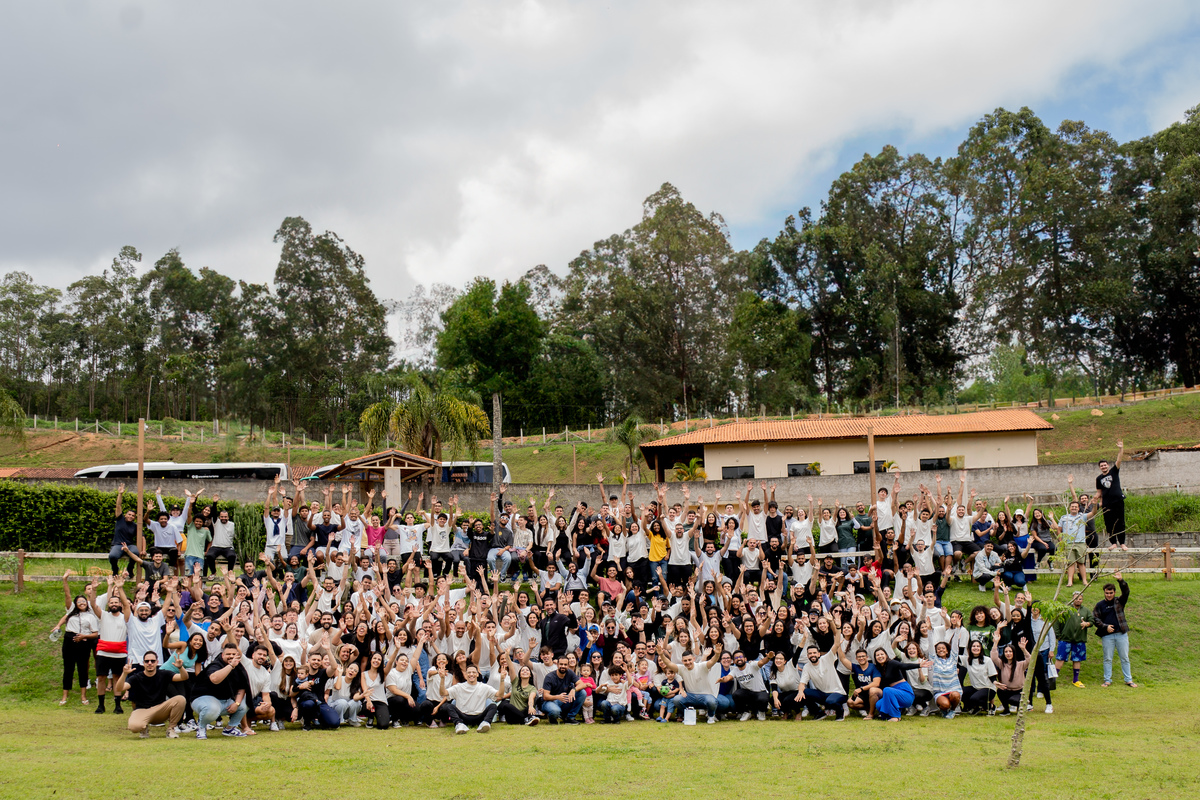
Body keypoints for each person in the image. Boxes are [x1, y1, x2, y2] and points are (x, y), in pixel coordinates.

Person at [115, 650, 189, 738]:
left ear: (157, 662)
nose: (150, 663)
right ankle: (143, 729)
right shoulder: (136, 678)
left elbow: (184, 677)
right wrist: (124, 674)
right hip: (142, 710)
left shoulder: (164, 674)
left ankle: (171, 729)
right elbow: (119, 688)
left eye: (153, 661)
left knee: (180, 699)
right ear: (143, 663)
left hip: (160, 710)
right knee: (134, 727)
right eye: (147, 661)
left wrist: (180, 667)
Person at [52, 572, 98, 706]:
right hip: (69, 640)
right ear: (75, 604)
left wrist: (84, 636)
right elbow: (67, 595)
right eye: (79, 602)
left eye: (84, 601)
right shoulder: (71, 612)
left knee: (83, 669)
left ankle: (83, 697)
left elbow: (95, 634)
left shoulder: (90, 616)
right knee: (68, 668)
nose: (82, 603)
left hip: (84, 642)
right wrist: (64, 579)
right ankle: (64, 696)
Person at [190, 643, 251, 739]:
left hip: (225, 701)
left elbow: (242, 687)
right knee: (212, 709)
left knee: (246, 701)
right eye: (228, 654)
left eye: (233, 654)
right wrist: (231, 666)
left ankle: (230, 728)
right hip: (203, 699)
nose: (231, 656)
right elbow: (215, 679)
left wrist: (237, 703)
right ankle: (201, 727)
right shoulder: (215, 665)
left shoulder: (239, 668)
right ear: (222, 655)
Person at [1094, 570, 1136, 688]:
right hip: (1107, 636)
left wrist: (1120, 580)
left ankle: (1128, 680)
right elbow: (1095, 619)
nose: (1109, 595)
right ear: (1104, 593)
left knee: (1125, 658)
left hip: (1121, 634)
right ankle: (1107, 680)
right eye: (1107, 593)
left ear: (1114, 592)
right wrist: (1105, 627)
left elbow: (1126, 592)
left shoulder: (1119, 602)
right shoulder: (1100, 605)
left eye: (1111, 593)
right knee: (1107, 658)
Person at [1055, 591, 1094, 688]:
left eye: (1080, 599)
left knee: (1077, 659)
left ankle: (1075, 680)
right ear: (1072, 599)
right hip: (1065, 639)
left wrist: (1087, 624)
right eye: (1076, 598)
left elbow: (1092, 621)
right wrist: (1058, 635)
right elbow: (1057, 622)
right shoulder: (1066, 609)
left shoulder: (1086, 610)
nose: (1078, 600)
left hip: (1079, 640)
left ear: (1082, 600)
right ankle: (1053, 679)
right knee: (1060, 658)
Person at [446, 664, 499, 734]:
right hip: (463, 717)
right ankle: (459, 725)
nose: (471, 674)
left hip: (479, 717)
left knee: (493, 706)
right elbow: (443, 693)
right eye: (469, 672)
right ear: (465, 674)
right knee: (449, 706)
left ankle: (485, 723)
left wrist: (502, 680)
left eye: (474, 672)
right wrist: (442, 679)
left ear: (477, 674)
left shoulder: (484, 687)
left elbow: (499, 695)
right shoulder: (459, 687)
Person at [1096, 440, 1127, 549]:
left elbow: (1119, 460)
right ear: (1099, 467)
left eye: (1105, 465)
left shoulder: (1114, 471)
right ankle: (1113, 543)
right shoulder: (1098, 478)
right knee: (1109, 524)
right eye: (1101, 466)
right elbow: (1099, 492)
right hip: (1107, 504)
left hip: (1118, 501)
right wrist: (1095, 500)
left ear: (1108, 465)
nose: (1103, 467)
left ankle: (1122, 543)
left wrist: (1120, 448)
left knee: (1120, 522)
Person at [109, 484, 140, 577]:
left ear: (134, 518)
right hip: (118, 544)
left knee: (136, 553)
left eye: (133, 515)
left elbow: (141, 537)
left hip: (129, 545)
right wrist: (120, 494)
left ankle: (130, 569)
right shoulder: (120, 519)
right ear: (126, 515)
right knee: (112, 556)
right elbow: (118, 505)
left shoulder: (135, 526)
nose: (130, 516)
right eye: (129, 514)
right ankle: (115, 570)